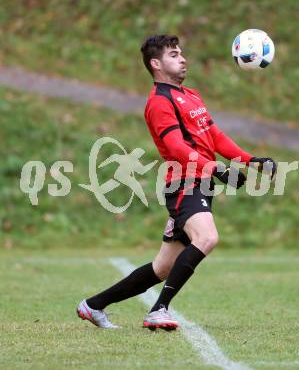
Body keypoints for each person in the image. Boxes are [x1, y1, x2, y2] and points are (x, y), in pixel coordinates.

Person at [76, 35, 276, 330]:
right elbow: (175, 147)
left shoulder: (191, 95)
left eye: (181, 53)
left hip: (201, 182)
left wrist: (250, 160)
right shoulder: (159, 103)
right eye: (173, 55)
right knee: (206, 238)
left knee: (162, 268)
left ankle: (92, 306)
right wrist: (215, 168)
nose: (182, 58)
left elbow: (215, 136)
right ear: (156, 64)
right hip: (183, 184)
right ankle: (159, 310)